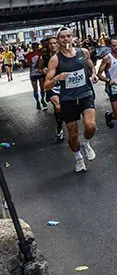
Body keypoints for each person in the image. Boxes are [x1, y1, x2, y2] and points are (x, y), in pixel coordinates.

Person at [44, 27, 98, 173]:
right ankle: (78, 157)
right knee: (73, 134)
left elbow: (90, 64)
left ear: (72, 37)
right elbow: (46, 85)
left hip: (85, 94)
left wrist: (93, 74)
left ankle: (86, 144)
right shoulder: (55, 60)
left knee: (91, 125)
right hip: (68, 99)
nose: (66, 39)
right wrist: (56, 78)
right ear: (59, 40)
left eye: (68, 36)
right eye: (62, 37)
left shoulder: (83, 52)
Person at [40, 37, 64, 143]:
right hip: (52, 85)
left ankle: (66, 124)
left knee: (67, 108)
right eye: (51, 44)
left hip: (65, 84)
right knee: (58, 106)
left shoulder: (64, 55)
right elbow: (39, 68)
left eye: (55, 43)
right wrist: (43, 70)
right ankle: (59, 129)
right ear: (48, 45)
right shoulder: (44, 57)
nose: (53, 45)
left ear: (58, 44)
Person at [26, 43, 45, 110]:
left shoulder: (40, 53)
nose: (35, 48)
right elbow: (28, 64)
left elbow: (28, 63)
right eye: (34, 47)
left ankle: (41, 100)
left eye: (35, 47)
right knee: (37, 89)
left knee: (41, 88)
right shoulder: (29, 54)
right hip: (34, 74)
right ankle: (38, 101)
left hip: (38, 73)